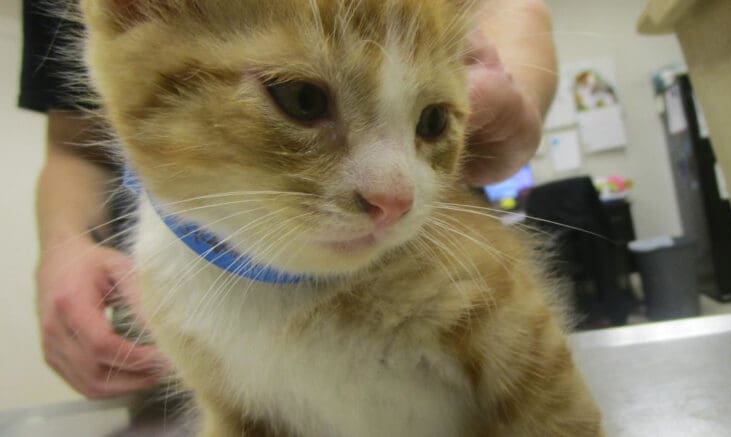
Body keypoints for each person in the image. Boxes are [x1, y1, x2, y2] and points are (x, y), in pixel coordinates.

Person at [20, 0, 557, 399]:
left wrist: (510, 102)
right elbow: (75, 142)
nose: (389, 196)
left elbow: (510, 9)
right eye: (301, 96)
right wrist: (65, 249)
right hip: (175, 288)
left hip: (405, 266)